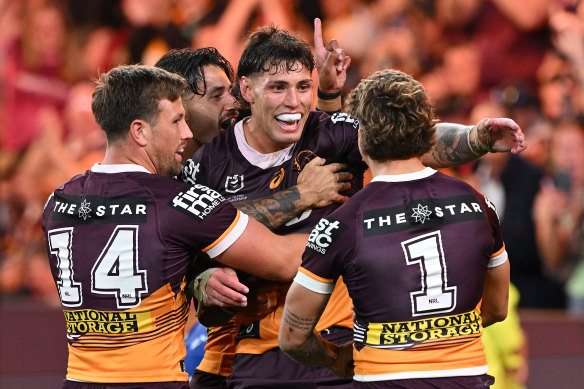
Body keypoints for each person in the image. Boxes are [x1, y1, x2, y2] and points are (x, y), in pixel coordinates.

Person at [184, 22, 524, 389]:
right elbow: (189, 242)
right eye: (278, 88)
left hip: (334, 346)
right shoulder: (205, 163)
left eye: (303, 87)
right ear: (247, 89)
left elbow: (406, 137)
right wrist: (202, 280)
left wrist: (476, 137)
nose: (294, 103)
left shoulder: (331, 132)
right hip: (247, 352)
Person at [41, 64, 308, 388]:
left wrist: (199, 278)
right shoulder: (178, 203)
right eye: (176, 121)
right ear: (139, 132)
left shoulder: (57, 203)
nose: (186, 133)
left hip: (78, 380)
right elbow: (284, 261)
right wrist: (348, 221)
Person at [279, 69, 511, 388]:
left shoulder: (341, 222)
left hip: (383, 380)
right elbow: (497, 308)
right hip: (465, 379)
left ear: (360, 138)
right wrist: (443, 335)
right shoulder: (478, 203)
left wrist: (335, 357)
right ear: (427, 136)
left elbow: (292, 337)